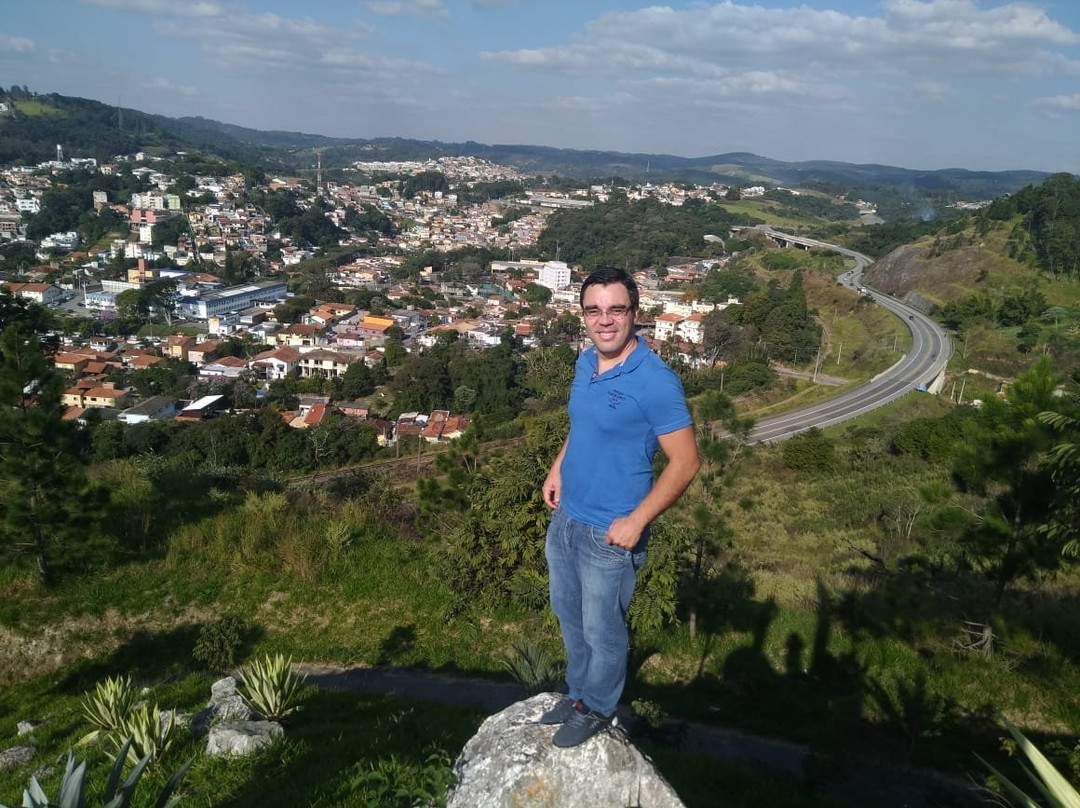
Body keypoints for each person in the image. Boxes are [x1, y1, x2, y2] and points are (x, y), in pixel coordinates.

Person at [540, 267, 700, 748]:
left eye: (616, 309)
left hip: (610, 532)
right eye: (594, 310)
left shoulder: (656, 382)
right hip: (567, 517)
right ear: (583, 315)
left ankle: (598, 706)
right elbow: (581, 426)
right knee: (569, 617)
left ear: (635, 313)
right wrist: (556, 468)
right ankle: (578, 693)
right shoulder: (585, 362)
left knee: (602, 629)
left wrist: (637, 521)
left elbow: (686, 462)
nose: (604, 320)